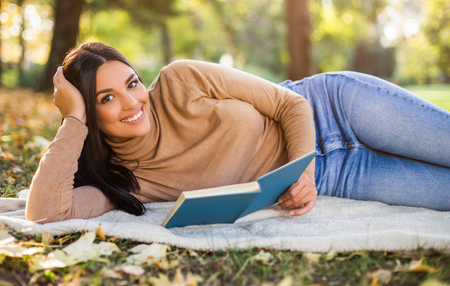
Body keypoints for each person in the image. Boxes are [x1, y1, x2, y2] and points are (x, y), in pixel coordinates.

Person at [25, 42, 450, 223]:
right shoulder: (122, 183)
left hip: (337, 108)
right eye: (106, 99)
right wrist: (73, 120)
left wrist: (303, 173)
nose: (133, 102)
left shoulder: (181, 80)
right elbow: (46, 212)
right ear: (89, 114)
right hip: (342, 175)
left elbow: (290, 104)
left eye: (132, 83)